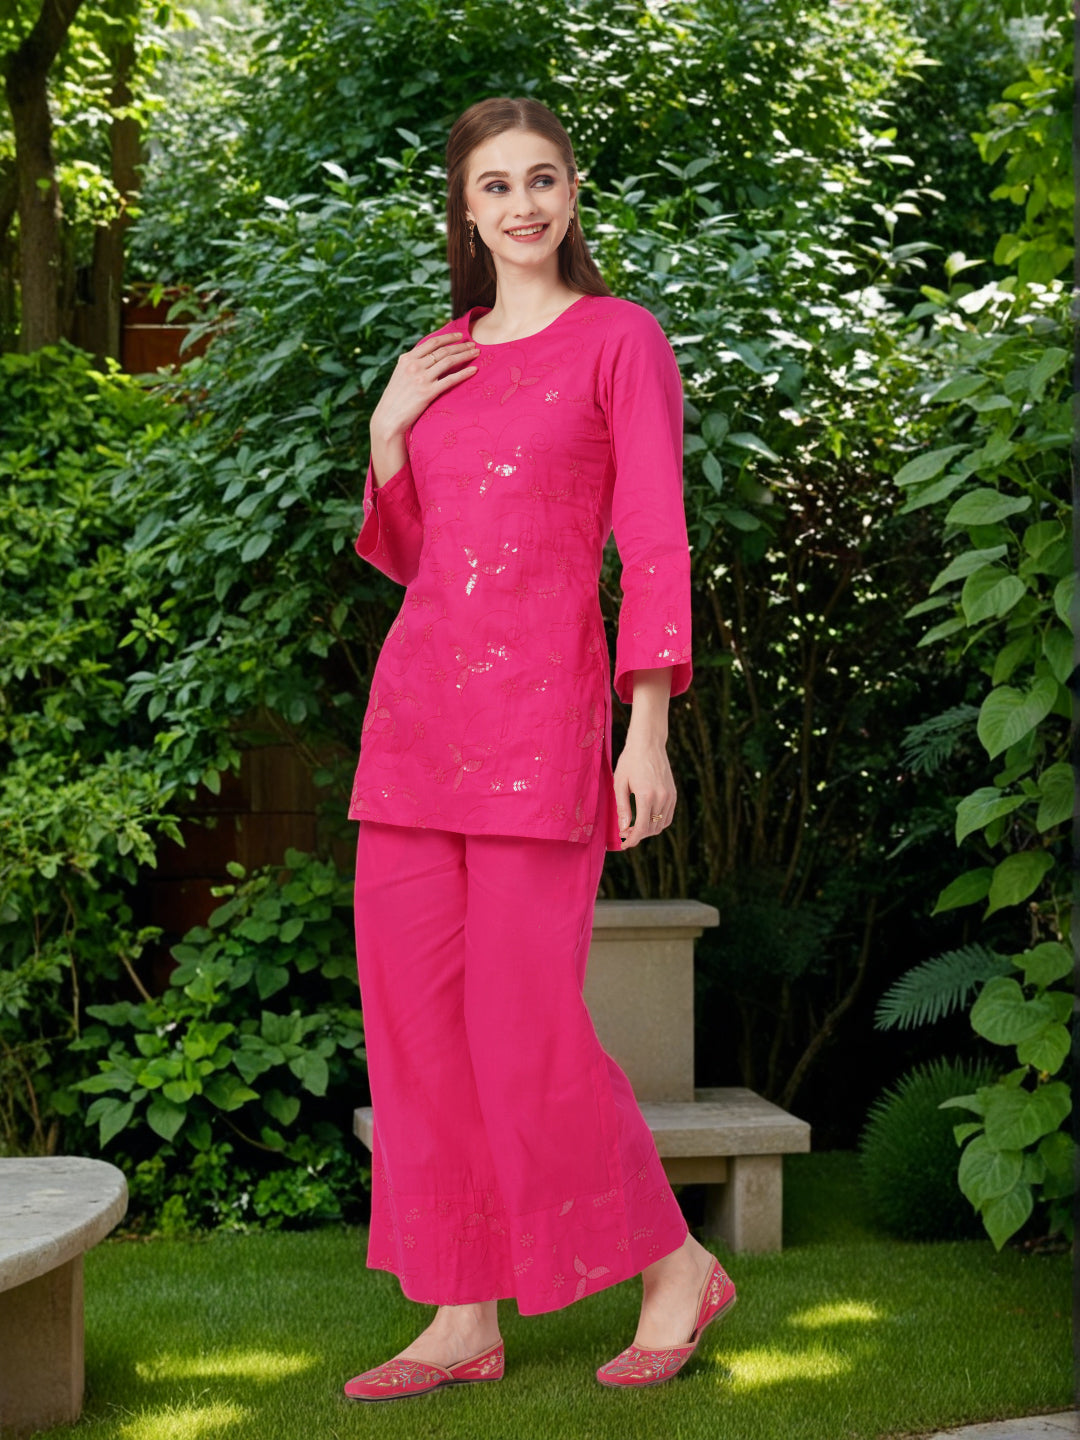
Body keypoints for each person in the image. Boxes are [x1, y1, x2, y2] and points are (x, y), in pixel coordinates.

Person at [344, 96, 737, 1401]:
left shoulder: (621, 340)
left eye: (543, 179)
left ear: (573, 195)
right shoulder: (437, 358)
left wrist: (647, 729)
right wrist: (386, 433)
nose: (522, 204)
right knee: (416, 1034)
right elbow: (415, 556)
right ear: (465, 211)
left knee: (526, 1033)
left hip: (541, 725)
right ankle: (461, 1313)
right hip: (414, 730)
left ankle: (675, 1263)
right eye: (496, 185)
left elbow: (656, 539)